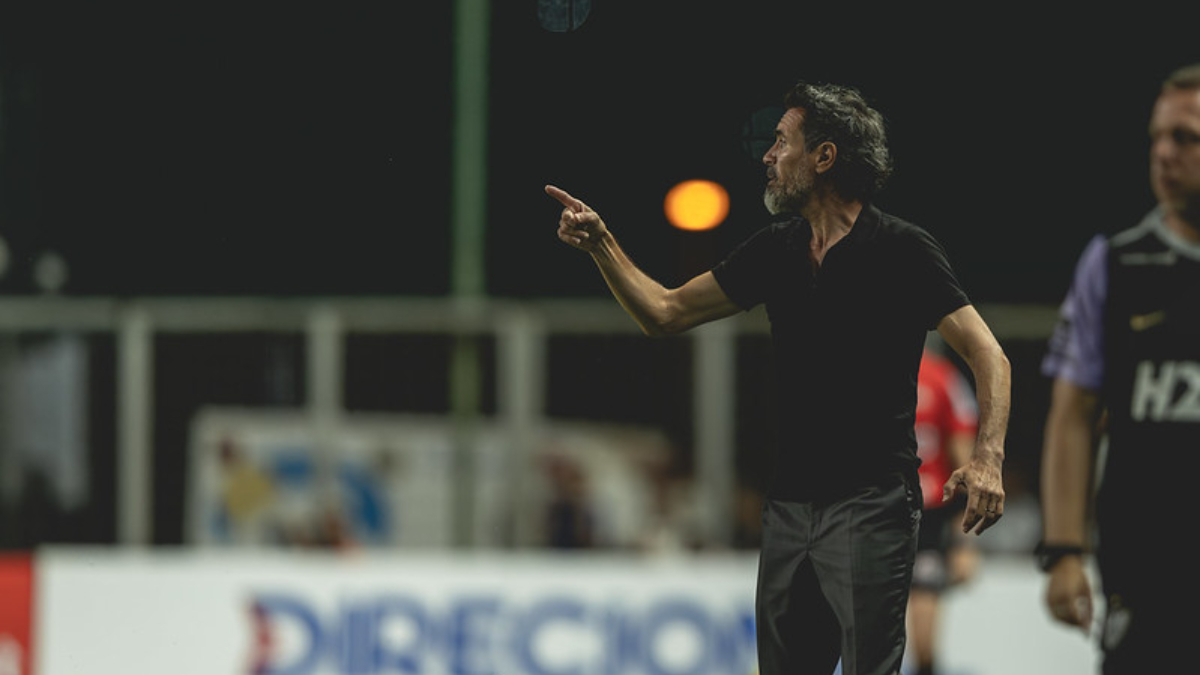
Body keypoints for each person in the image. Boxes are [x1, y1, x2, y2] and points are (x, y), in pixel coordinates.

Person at [548, 80, 1010, 675]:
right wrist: (602, 245)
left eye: (782, 141)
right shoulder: (778, 249)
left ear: (824, 157)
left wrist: (988, 457)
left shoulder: (904, 249)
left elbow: (989, 355)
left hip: (872, 507)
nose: (768, 156)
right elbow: (664, 312)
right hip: (789, 507)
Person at [1039, 63, 1200, 673]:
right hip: (1145, 566)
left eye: (1185, 137)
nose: (1163, 153)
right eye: (1156, 137)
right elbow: (1072, 415)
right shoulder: (1114, 264)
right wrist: (1064, 549)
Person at [907, 347, 980, 675]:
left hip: (929, 516)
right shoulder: (863, 371)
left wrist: (965, 542)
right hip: (875, 513)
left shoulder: (943, 378)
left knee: (923, 640)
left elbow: (965, 463)